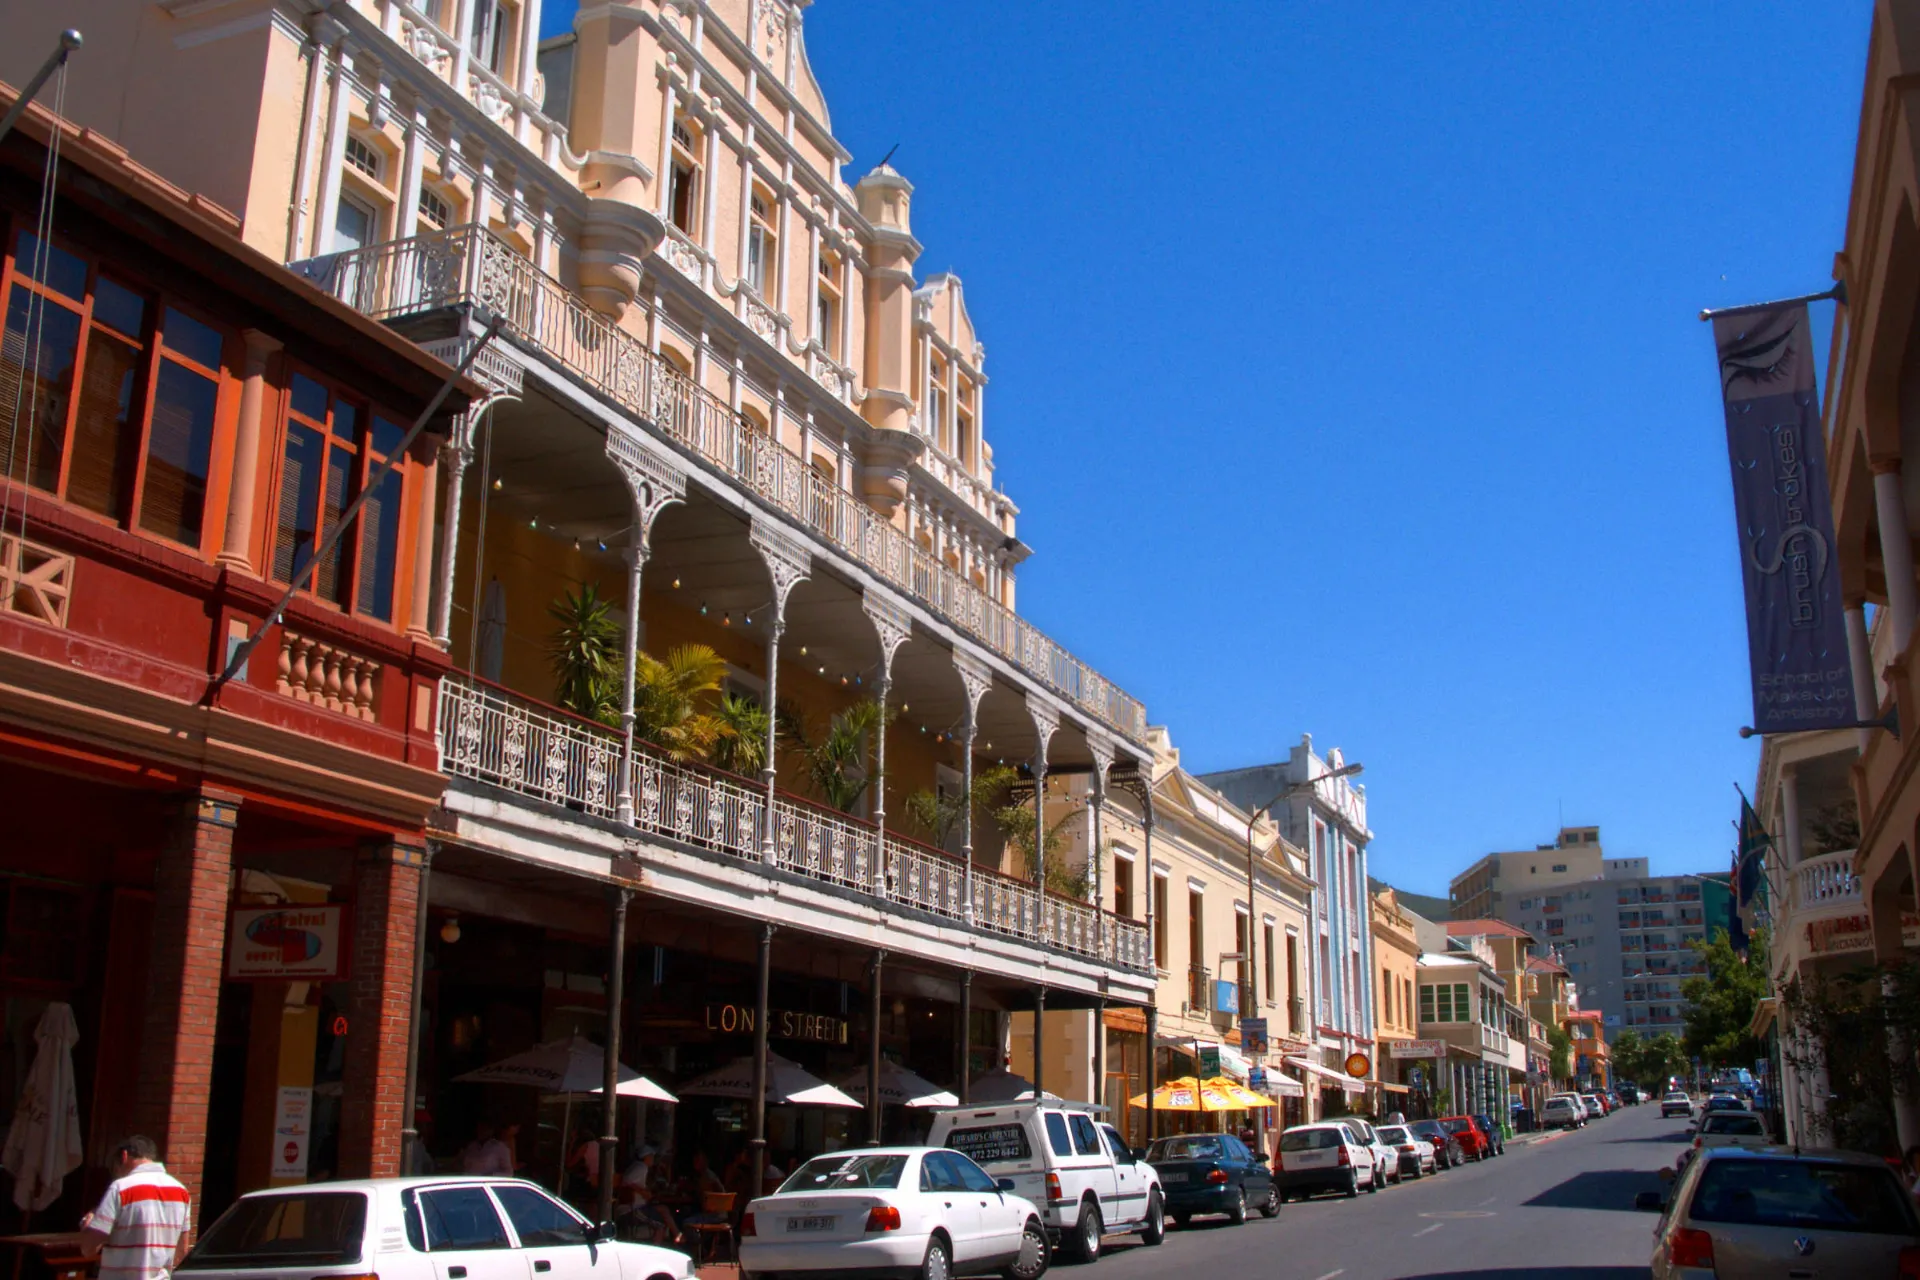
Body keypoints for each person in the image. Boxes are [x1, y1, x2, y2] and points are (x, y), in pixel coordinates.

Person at [78, 1136, 191, 1280]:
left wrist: (89, 1226)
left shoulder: (120, 1188)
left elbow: (89, 1249)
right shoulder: (181, 1192)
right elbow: (181, 1252)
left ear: (124, 1156)